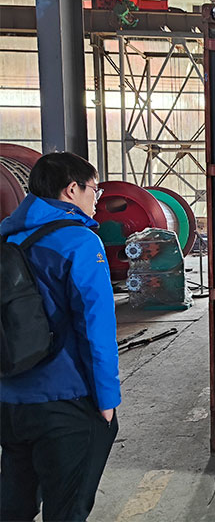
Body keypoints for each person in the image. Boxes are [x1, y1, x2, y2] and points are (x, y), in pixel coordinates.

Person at [0, 152, 121, 522]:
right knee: (67, 509)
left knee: (14, 506)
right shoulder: (79, 242)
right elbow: (96, 326)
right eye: (94, 189)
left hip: (10, 400)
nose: (96, 199)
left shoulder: (8, 238)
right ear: (72, 190)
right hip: (65, 399)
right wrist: (107, 400)